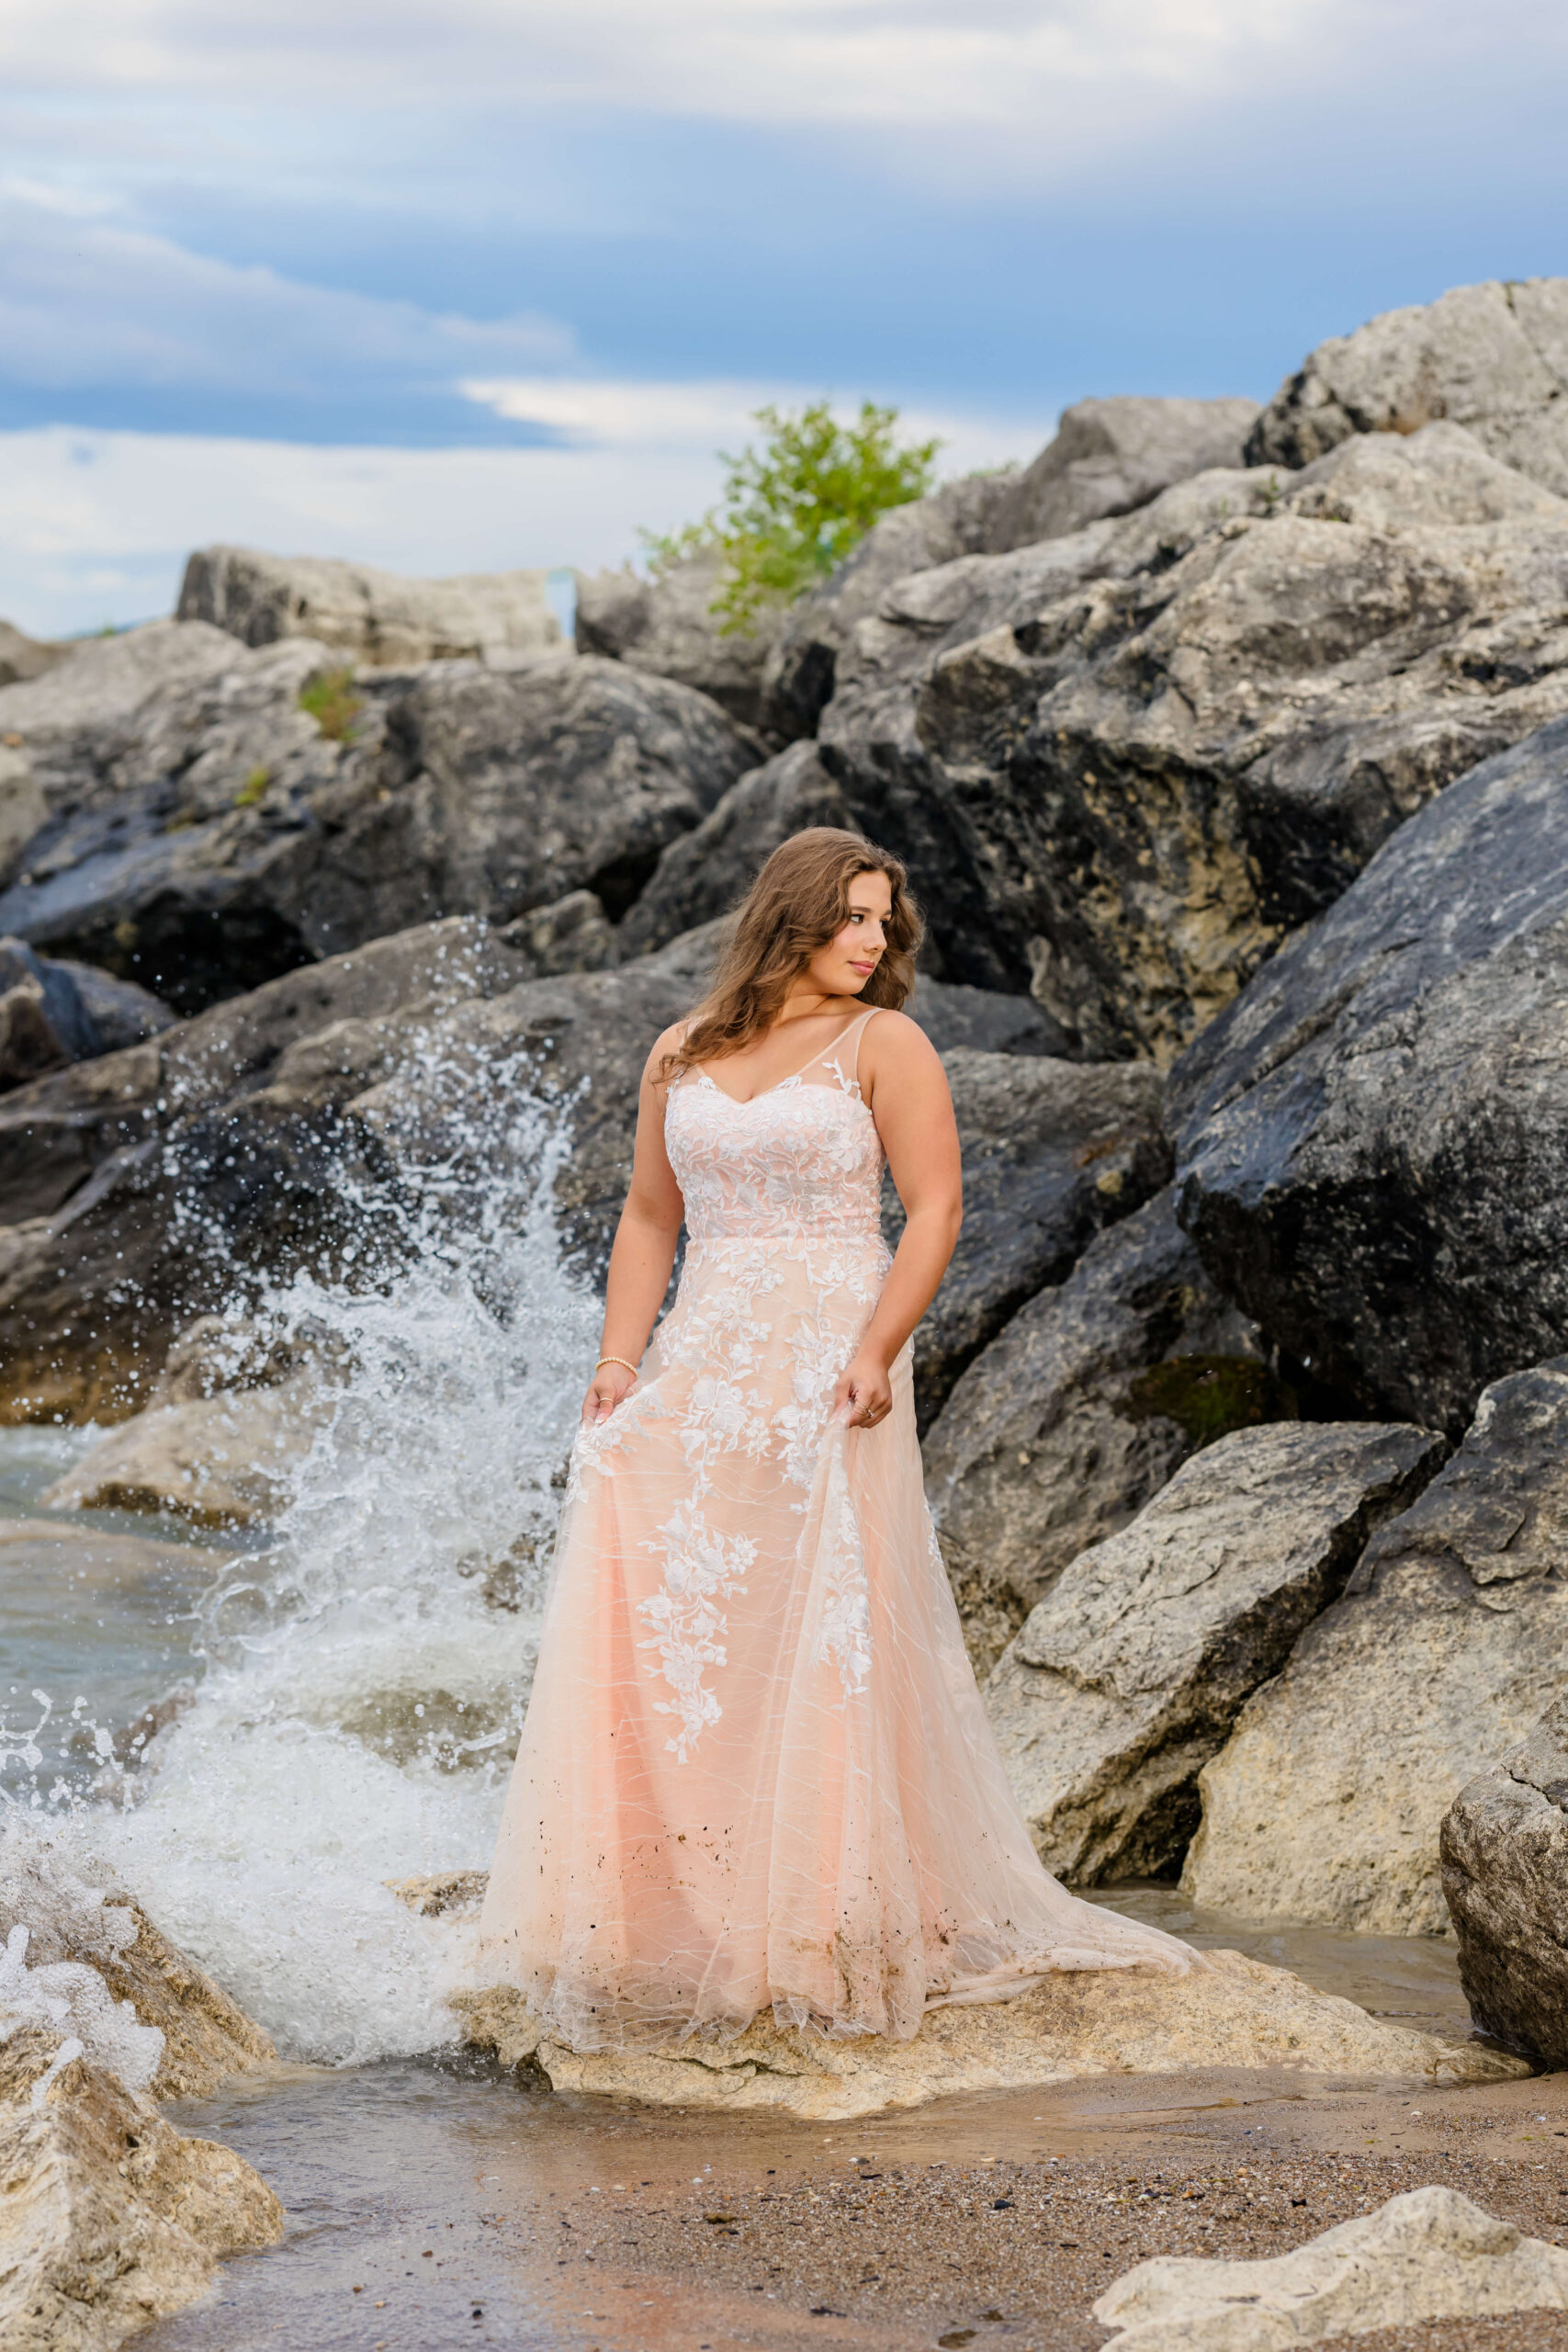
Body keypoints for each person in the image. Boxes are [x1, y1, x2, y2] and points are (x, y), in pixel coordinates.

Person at [479, 828, 1190, 2048]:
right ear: (790, 914)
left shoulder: (886, 1042)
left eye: (881, 922)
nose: (871, 941)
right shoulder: (679, 1052)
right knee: (677, 1610)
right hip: (705, 1353)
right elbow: (652, 1218)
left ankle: (814, 1929)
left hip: (832, 1352)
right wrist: (616, 1363)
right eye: (851, 916)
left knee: (822, 1621)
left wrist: (875, 1348)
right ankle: (668, 1916)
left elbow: (938, 1211)